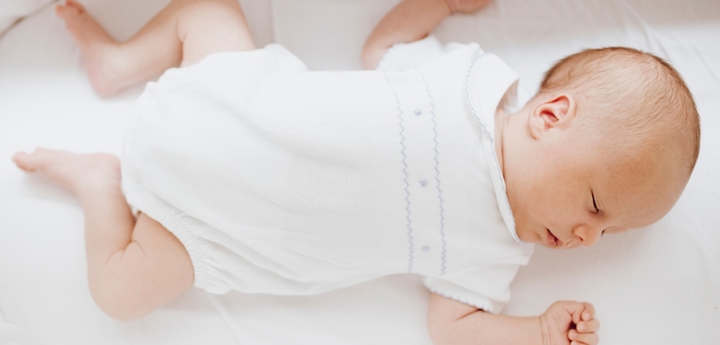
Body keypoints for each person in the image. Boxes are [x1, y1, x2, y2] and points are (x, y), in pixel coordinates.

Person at [12, 0, 700, 344]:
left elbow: (452, 327)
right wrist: (440, 6)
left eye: (603, 237)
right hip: (229, 97)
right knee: (211, 10)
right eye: (595, 205)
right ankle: (124, 63)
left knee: (123, 294)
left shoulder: (492, 250)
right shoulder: (466, 81)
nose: (585, 237)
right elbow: (387, 44)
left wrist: (536, 329)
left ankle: (101, 185)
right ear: (550, 115)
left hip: (204, 226)